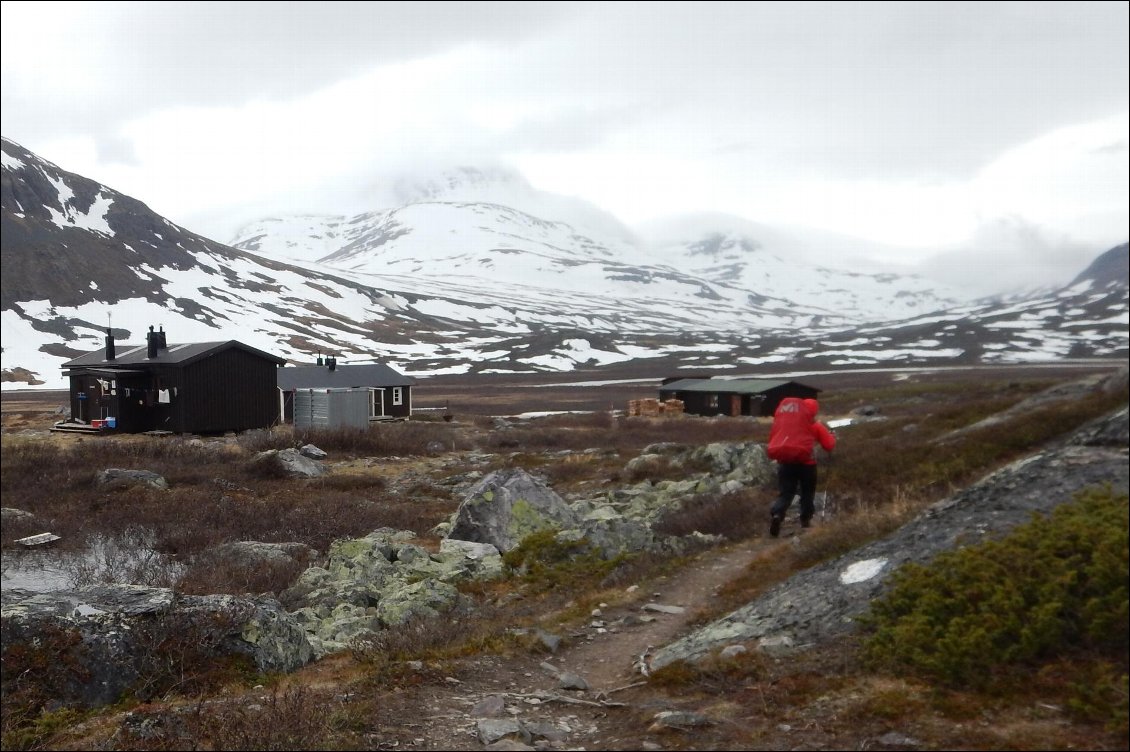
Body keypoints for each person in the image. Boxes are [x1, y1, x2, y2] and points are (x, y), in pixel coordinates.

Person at [766, 397, 836, 537]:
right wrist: (832, 436)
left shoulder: (787, 425)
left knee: (786, 493)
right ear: (814, 411)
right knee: (807, 493)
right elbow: (829, 445)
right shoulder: (815, 425)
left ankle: (778, 514)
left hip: (785, 463)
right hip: (807, 465)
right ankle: (805, 520)